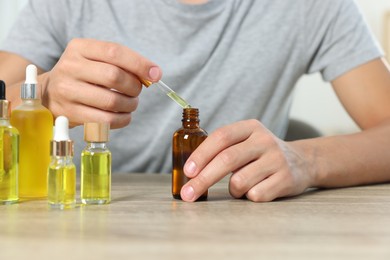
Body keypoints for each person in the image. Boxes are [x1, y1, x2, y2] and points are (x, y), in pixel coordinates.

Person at [0, 0, 390, 203]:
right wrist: (43, 94)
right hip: (81, 218)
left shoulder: (313, 7)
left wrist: (307, 161)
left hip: (231, 230)